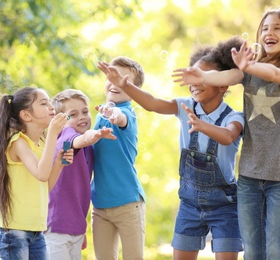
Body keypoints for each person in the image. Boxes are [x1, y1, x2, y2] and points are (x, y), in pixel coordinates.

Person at [172, 7, 280, 260]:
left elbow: (274, 74)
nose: (268, 32)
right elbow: (228, 75)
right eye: (264, 28)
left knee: (277, 249)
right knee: (252, 250)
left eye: (277, 28)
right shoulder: (248, 72)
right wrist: (203, 75)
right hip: (249, 178)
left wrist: (250, 66)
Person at [98, 37, 245, 260]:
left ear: (223, 84)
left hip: (224, 206)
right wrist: (124, 84)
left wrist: (201, 125)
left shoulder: (234, 117)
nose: (194, 83)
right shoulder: (183, 106)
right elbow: (152, 103)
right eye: (192, 76)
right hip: (189, 205)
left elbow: (228, 136)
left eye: (202, 77)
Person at [0, 86, 74, 259]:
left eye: (50, 102)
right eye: (44, 103)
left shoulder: (42, 144)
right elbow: (41, 174)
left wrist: (58, 163)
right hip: (13, 232)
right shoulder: (18, 142)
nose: (51, 107)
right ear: (26, 115)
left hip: (36, 231)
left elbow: (45, 184)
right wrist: (52, 134)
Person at [45, 89, 117, 259]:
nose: (82, 117)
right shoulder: (66, 136)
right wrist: (96, 135)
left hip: (74, 226)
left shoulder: (88, 147)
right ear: (60, 120)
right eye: (73, 114)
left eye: (85, 111)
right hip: (56, 226)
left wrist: (80, 229)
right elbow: (80, 140)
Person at [92, 56, 146, 260]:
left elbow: (122, 119)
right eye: (111, 77)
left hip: (128, 204)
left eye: (124, 80)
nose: (115, 83)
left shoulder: (126, 113)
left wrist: (116, 116)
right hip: (100, 205)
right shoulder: (100, 114)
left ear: (134, 90)